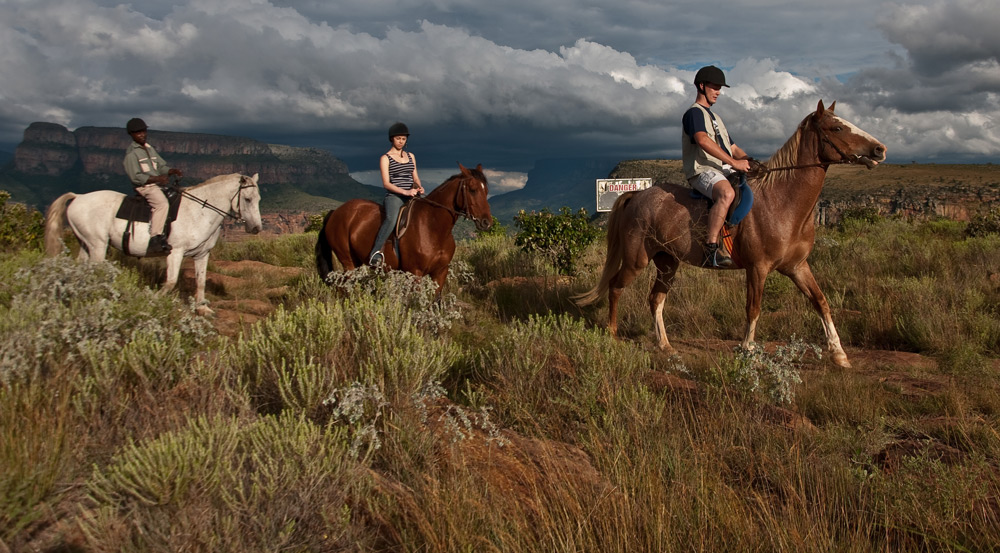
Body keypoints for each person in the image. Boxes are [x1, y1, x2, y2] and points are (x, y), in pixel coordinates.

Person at [681, 65, 752, 268]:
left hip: (722, 170)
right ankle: (711, 249)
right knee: (727, 194)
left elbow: (733, 147)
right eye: (714, 87)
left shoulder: (716, 118)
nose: (718, 92)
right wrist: (733, 162)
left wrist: (748, 160)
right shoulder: (694, 114)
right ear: (701, 86)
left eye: (720, 88)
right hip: (702, 171)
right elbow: (702, 140)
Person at [367, 122, 424, 267]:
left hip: (412, 194)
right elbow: (386, 183)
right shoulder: (385, 158)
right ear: (392, 139)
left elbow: (415, 177)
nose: (401, 141)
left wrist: (419, 187)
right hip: (395, 196)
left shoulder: (411, 156)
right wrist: (405, 191)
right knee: (391, 219)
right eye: (398, 138)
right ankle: (375, 252)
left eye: (403, 139)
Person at [123, 118, 183, 254]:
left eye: (143, 131)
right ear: (131, 134)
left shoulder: (150, 149)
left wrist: (171, 171)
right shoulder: (132, 154)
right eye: (138, 132)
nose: (142, 134)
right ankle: (155, 238)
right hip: (145, 187)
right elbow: (136, 176)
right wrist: (157, 179)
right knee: (162, 204)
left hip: (156, 184)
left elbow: (160, 166)